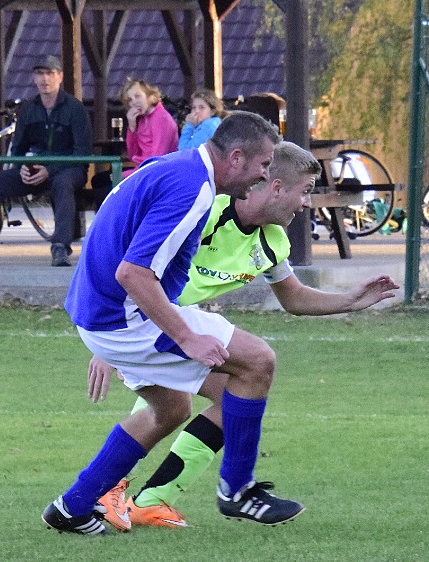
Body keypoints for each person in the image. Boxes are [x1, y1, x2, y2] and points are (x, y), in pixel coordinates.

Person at [89, 142, 399, 530]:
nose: (306, 204)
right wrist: (111, 339)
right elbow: (131, 260)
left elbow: (295, 298)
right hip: (141, 321)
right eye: (304, 191)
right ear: (276, 186)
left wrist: (351, 300)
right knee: (197, 395)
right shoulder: (208, 210)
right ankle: (112, 490)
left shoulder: (272, 240)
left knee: (229, 396)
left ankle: (149, 499)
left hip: (174, 325)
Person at [41, 111, 285, 536]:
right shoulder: (193, 188)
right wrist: (187, 336)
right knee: (257, 361)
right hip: (122, 316)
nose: (263, 177)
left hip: (100, 315)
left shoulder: (176, 166)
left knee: (171, 408)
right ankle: (239, 490)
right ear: (237, 157)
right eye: (263, 166)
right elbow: (133, 273)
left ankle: (73, 506)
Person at [0, 55, 93, 267]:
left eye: (50, 73)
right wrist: (23, 169)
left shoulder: (75, 109)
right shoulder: (28, 108)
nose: (45, 79)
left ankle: (60, 247)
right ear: (34, 78)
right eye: (40, 74)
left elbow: (82, 154)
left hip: (69, 170)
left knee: (63, 184)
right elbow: (18, 148)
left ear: (60, 77)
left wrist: (50, 169)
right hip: (35, 170)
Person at [121, 78, 179, 176]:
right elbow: (133, 155)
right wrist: (132, 126)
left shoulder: (161, 118)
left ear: (150, 96)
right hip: (143, 169)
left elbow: (157, 159)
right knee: (99, 180)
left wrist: (128, 175)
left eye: (137, 96)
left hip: (158, 174)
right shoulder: (142, 119)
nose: (134, 102)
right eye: (130, 100)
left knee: (106, 182)